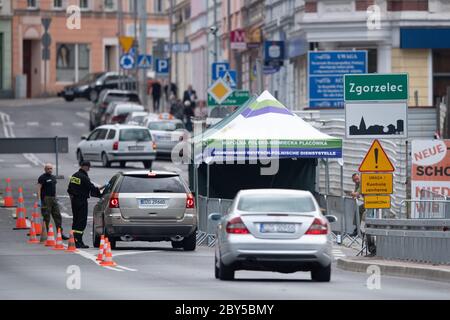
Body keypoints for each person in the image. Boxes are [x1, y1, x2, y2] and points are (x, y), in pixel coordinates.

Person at [67, 161, 105, 248]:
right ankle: (79, 241)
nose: (89, 169)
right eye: (88, 167)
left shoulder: (74, 175)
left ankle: (74, 240)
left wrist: (72, 200)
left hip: (74, 201)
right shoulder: (84, 177)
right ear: (85, 166)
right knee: (81, 222)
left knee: (75, 221)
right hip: (82, 201)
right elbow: (92, 188)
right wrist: (103, 189)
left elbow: (69, 189)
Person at [38, 163, 69, 240]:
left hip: (53, 199)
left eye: (51, 168)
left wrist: (55, 197)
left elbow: (53, 188)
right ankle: (47, 234)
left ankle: (60, 234)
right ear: (45, 169)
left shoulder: (53, 177)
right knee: (46, 217)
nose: (50, 170)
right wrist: (39, 200)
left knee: (58, 216)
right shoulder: (42, 177)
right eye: (48, 168)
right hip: (46, 199)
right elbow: (39, 188)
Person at [351, 173, 376, 256]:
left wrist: (353, 194)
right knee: (358, 210)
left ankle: (372, 246)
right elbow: (356, 194)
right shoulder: (357, 184)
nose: (356, 181)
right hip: (367, 202)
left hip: (372, 202)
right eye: (354, 180)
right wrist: (354, 195)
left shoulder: (363, 182)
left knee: (369, 221)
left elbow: (356, 194)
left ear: (359, 177)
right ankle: (357, 228)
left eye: (357, 179)